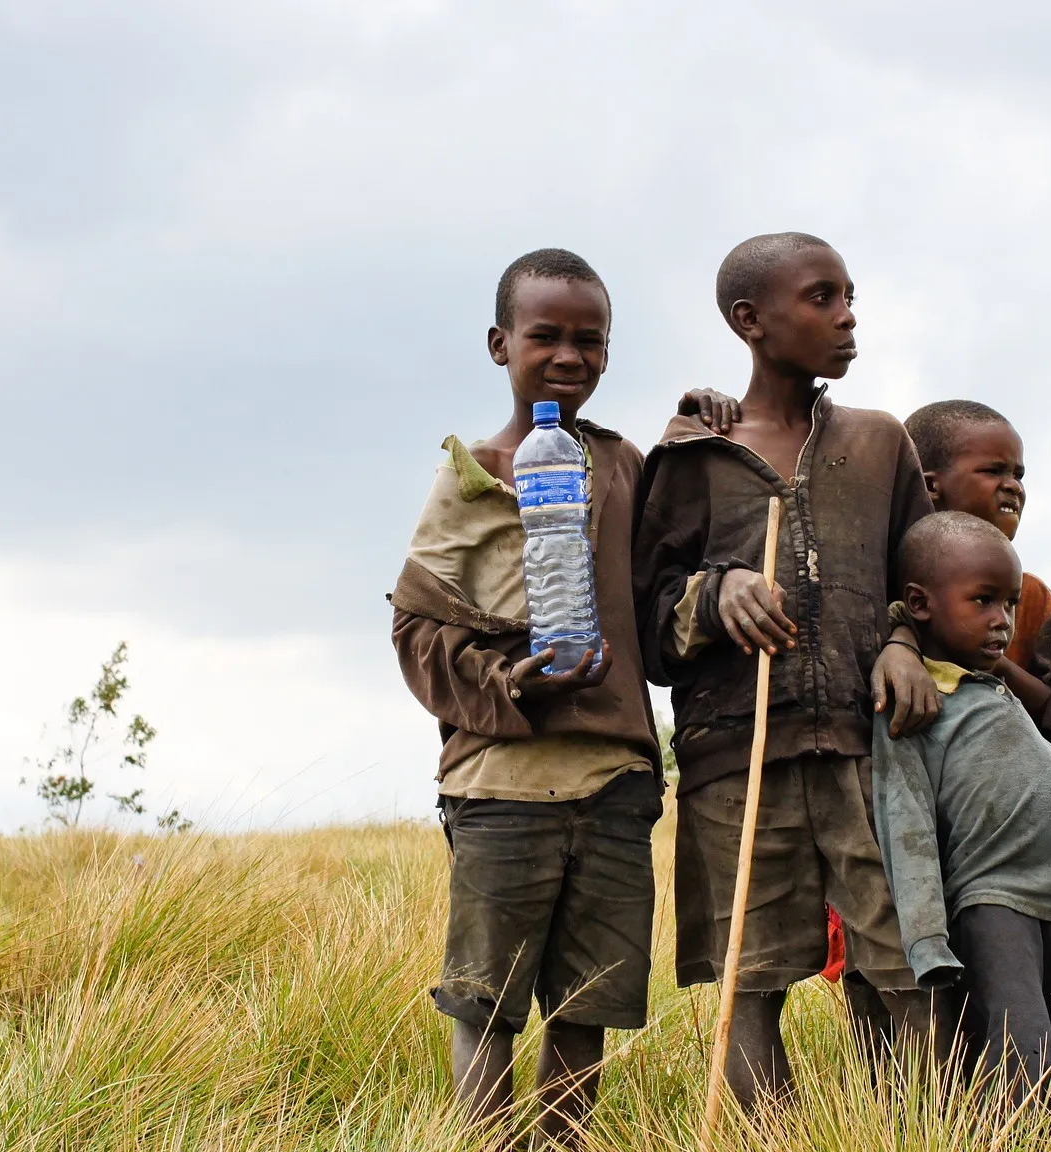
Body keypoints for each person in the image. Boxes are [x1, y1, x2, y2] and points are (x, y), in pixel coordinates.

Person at [388, 247, 732, 1145]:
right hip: (499, 782)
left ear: (609, 355)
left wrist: (697, 432)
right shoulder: (471, 476)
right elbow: (416, 634)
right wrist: (510, 685)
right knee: (486, 1003)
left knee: (590, 1002)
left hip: (616, 779)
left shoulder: (624, 467)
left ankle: (563, 1142)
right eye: (546, 336)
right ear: (501, 345)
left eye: (591, 340)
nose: (569, 356)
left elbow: (662, 597)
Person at [633, 231, 942, 1111]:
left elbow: (921, 584)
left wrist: (900, 643)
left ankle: (916, 1132)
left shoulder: (881, 445)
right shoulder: (691, 461)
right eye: (821, 298)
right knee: (750, 983)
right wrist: (714, 593)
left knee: (908, 969)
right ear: (751, 322)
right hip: (738, 761)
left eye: (850, 296)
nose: (847, 318)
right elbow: (649, 629)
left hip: (868, 755)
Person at [874, 511, 1051, 1107]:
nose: (1002, 622)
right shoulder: (914, 697)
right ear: (920, 603)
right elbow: (902, 822)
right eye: (983, 601)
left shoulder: (993, 685)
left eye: (1008, 604)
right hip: (993, 901)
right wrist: (928, 941)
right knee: (1020, 1061)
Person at [902, 400, 1051, 813]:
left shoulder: (1031, 598)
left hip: (1000, 811)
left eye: (1019, 474)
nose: (1014, 486)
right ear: (930, 485)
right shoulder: (881, 581)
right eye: (994, 471)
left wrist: (995, 665)